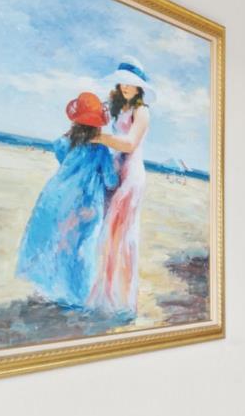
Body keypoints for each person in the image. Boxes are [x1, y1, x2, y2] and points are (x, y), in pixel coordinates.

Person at [15, 92, 120, 308]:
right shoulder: (100, 150)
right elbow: (110, 181)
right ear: (98, 125)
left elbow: (62, 154)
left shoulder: (64, 142)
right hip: (85, 204)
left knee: (54, 242)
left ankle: (47, 291)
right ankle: (75, 299)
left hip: (56, 197)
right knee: (80, 249)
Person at [90, 56, 155, 319]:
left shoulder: (142, 111)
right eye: (123, 82)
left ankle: (123, 303)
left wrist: (99, 137)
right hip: (114, 175)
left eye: (131, 84)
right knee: (107, 235)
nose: (126, 87)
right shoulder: (116, 107)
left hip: (131, 176)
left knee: (123, 236)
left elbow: (129, 144)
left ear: (140, 87)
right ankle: (105, 298)